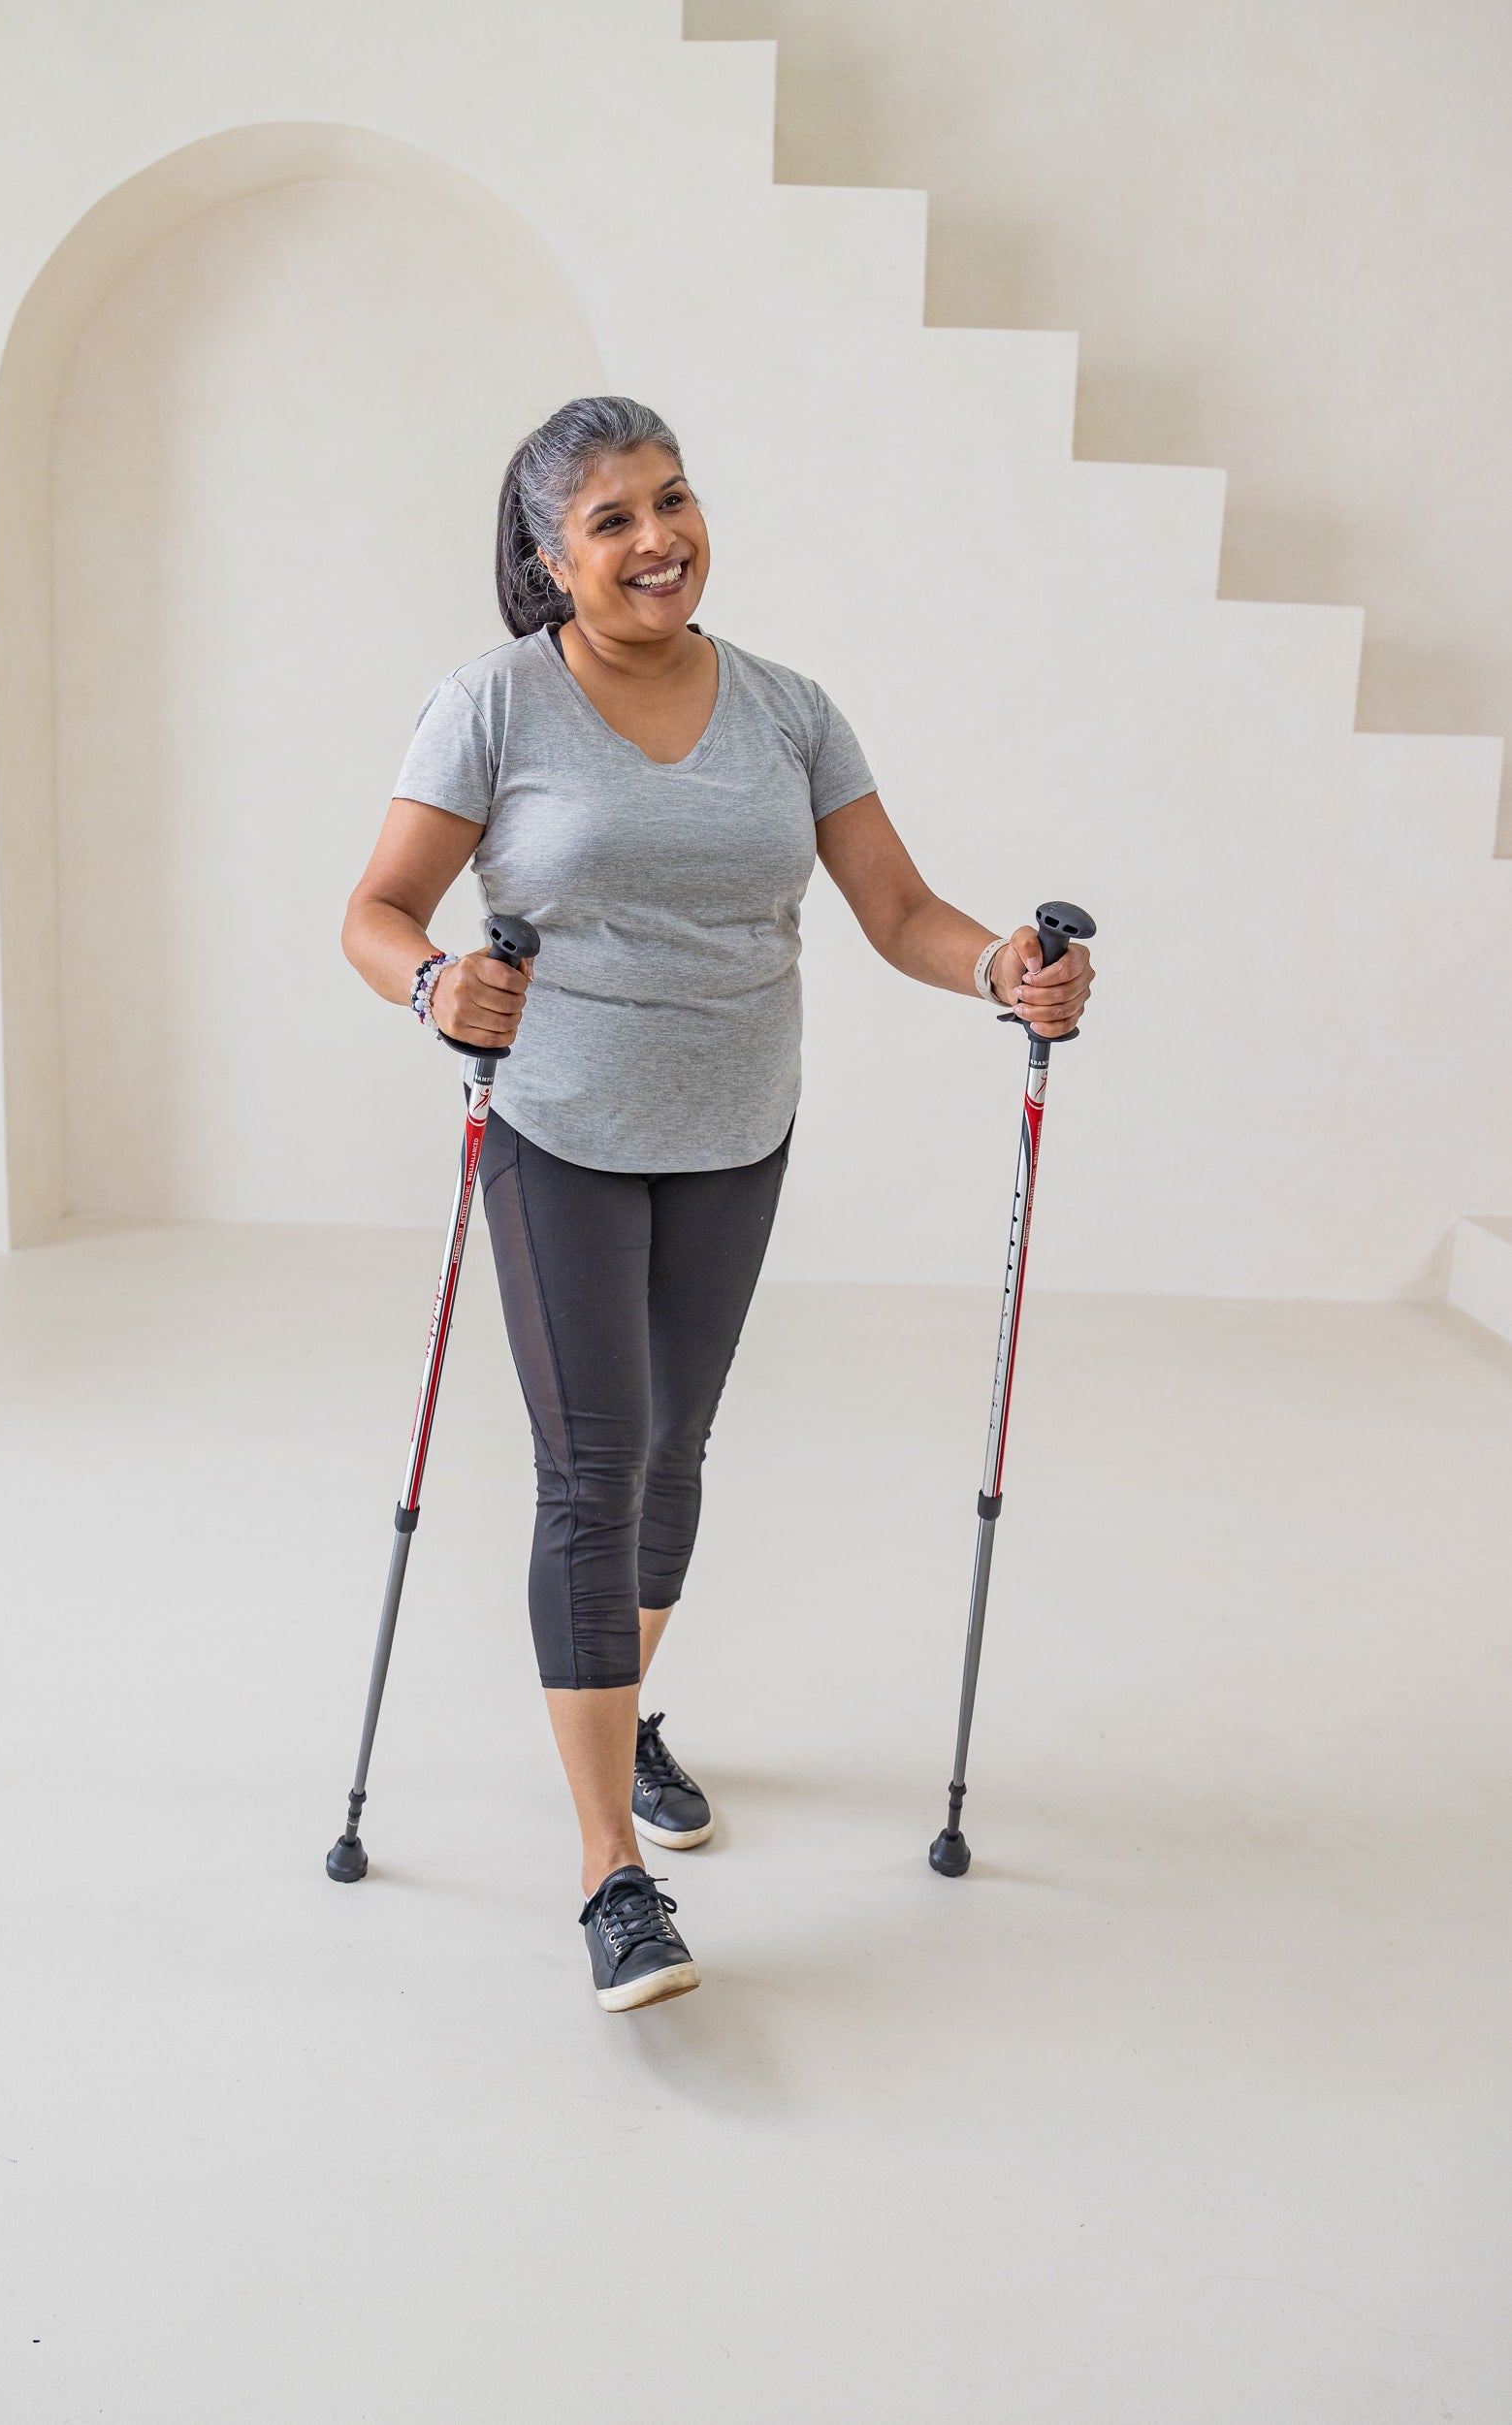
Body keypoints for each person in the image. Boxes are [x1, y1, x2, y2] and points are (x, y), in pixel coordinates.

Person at [342, 395, 1093, 2013]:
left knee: (676, 1453)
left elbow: (894, 907)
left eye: (669, 500)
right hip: (556, 1133)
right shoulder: (493, 705)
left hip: (740, 1130)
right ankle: (611, 1871)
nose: (654, 538)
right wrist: (432, 991)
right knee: (593, 1468)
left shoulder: (788, 708)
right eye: (608, 520)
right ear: (548, 559)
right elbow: (380, 910)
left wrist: (1001, 971)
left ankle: (621, 1706)